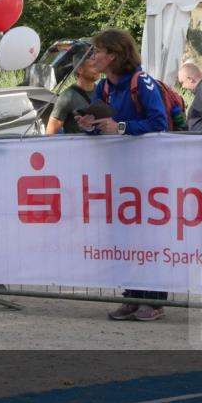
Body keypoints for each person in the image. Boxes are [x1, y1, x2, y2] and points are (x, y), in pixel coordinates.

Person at [76, 29, 168, 322]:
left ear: (113, 55)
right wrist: (89, 125)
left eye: (96, 51)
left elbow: (158, 122)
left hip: (148, 174)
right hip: (118, 174)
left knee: (148, 236)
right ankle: (132, 296)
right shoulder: (103, 88)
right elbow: (106, 125)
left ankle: (153, 301)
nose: (92, 57)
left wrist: (122, 128)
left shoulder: (142, 82)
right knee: (124, 235)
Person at [46, 49, 100, 135]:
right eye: (93, 66)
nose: (98, 69)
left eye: (98, 66)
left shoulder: (102, 91)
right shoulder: (66, 97)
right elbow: (50, 133)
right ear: (80, 69)